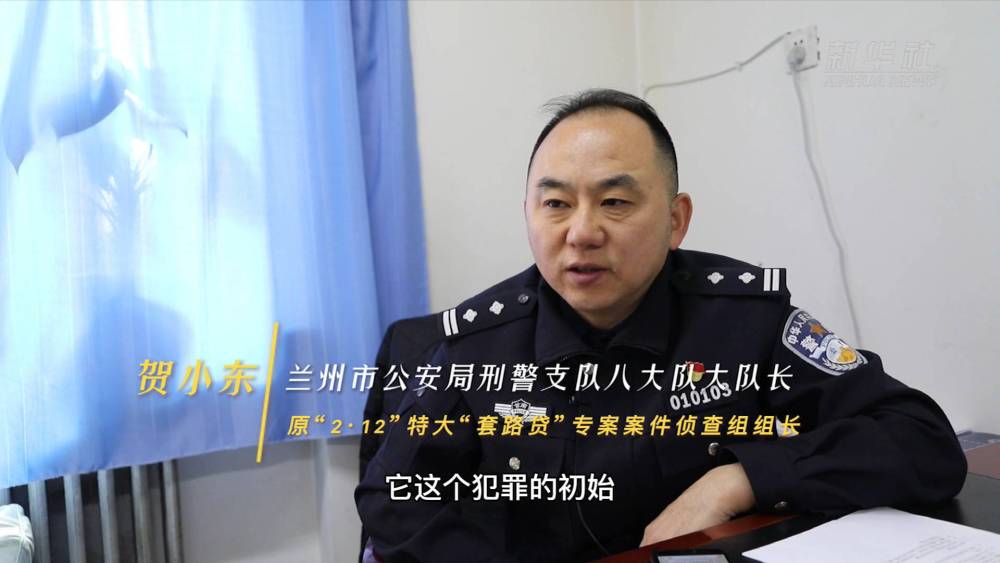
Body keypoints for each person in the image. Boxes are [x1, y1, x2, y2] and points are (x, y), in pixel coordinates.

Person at [355, 89, 967, 562]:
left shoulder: (743, 320)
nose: (582, 232)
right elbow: (393, 499)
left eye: (615, 202)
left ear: (676, 220)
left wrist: (742, 479)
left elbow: (920, 439)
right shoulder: (475, 345)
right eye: (556, 203)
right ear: (529, 214)